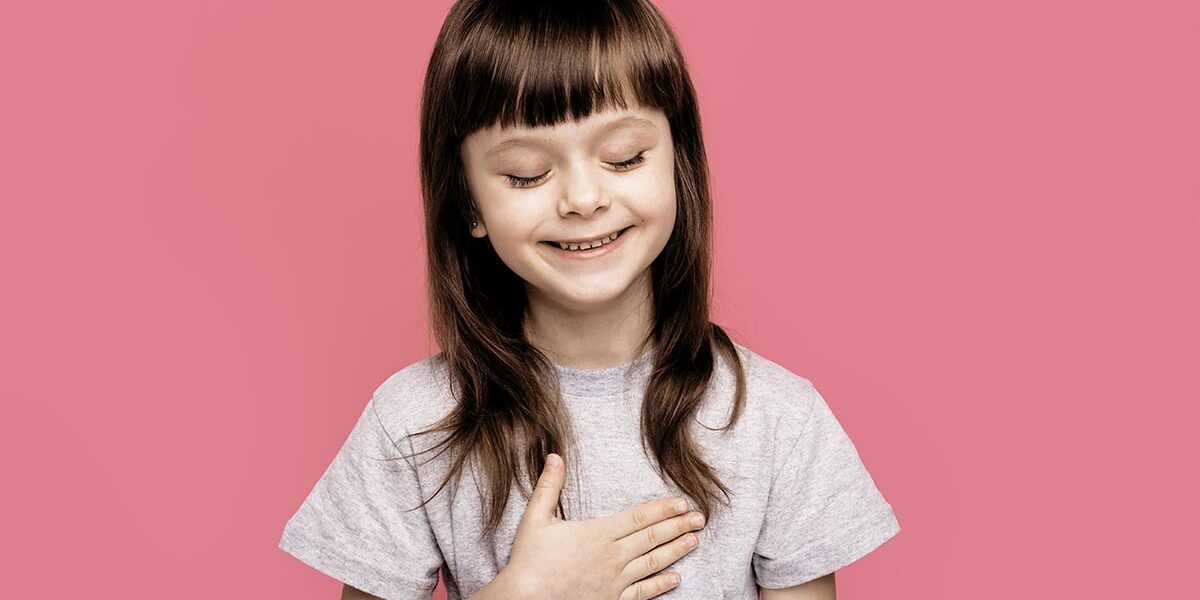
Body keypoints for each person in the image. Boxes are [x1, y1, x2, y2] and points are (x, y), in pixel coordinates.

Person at [278, 1, 900, 598]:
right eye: (526, 172)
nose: (582, 199)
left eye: (624, 158)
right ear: (468, 202)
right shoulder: (413, 425)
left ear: (677, 163)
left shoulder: (777, 420)